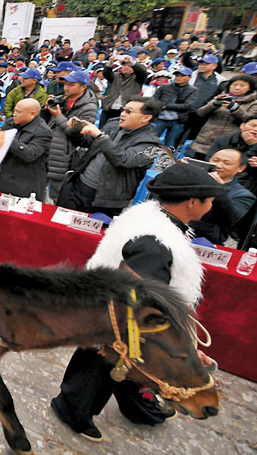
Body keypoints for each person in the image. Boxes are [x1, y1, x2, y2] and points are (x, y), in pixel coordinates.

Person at [51, 162, 227, 442]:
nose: (214, 203)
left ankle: (142, 409)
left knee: (124, 370)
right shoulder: (155, 242)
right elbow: (140, 299)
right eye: (210, 198)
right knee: (99, 368)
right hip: (118, 321)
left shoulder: (153, 218)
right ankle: (71, 410)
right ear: (193, 202)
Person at [59, 97, 163, 217]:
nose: (123, 114)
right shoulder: (113, 124)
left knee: (90, 234)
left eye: (128, 111)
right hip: (79, 186)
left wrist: (100, 136)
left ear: (146, 117)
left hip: (106, 201)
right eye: (123, 110)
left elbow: (122, 160)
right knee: (64, 225)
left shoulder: (151, 144)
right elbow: (87, 142)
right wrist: (76, 130)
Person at [45, 70, 100, 203]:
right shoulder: (63, 99)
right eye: (65, 84)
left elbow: (77, 134)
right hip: (48, 148)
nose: (66, 87)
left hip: (64, 155)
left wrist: (58, 116)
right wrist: (46, 109)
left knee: (55, 197)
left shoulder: (89, 107)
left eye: (71, 85)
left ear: (83, 87)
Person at [188, 149, 256, 244]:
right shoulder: (192, 177)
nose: (218, 166)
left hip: (204, 239)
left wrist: (219, 190)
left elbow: (232, 218)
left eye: (227, 163)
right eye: (215, 160)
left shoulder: (243, 195)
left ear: (240, 168)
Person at [0, 99, 52, 197]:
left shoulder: (43, 132)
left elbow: (30, 154)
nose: (14, 114)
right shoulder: (11, 122)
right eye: (15, 110)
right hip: (2, 178)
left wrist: (8, 138)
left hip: (26, 185)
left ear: (32, 114)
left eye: (19, 112)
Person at [189, 75, 257, 159]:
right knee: (198, 163)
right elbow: (200, 113)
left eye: (242, 85)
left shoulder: (253, 103)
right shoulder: (221, 97)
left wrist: (235, 109)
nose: (237, 88)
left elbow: (250, 120)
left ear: (250, 88)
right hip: (207, 137)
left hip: (230, 141)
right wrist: (214, 104)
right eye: (234, 85)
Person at [151, 67, 198, 148]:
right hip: (160, 118)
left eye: (182, 76)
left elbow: (188, 105)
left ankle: (166, 160)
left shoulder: (193, 90)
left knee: (170, 145)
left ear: (189, 77)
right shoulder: (164, 87)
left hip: (178, 120)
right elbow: (154, 100)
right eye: (177, 75)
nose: (178, 78)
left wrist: (166, 106)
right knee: (150, 140)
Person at [100, 56, 148, 126]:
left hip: (126, 110)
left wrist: (132, 62)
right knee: (102, 128)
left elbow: (143, 72)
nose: (126, 67)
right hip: (109, 108)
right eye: (124, 65)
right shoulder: (116, 76)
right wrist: (110, 63)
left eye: (129, 66)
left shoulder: (138, 78)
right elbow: (106, 73)